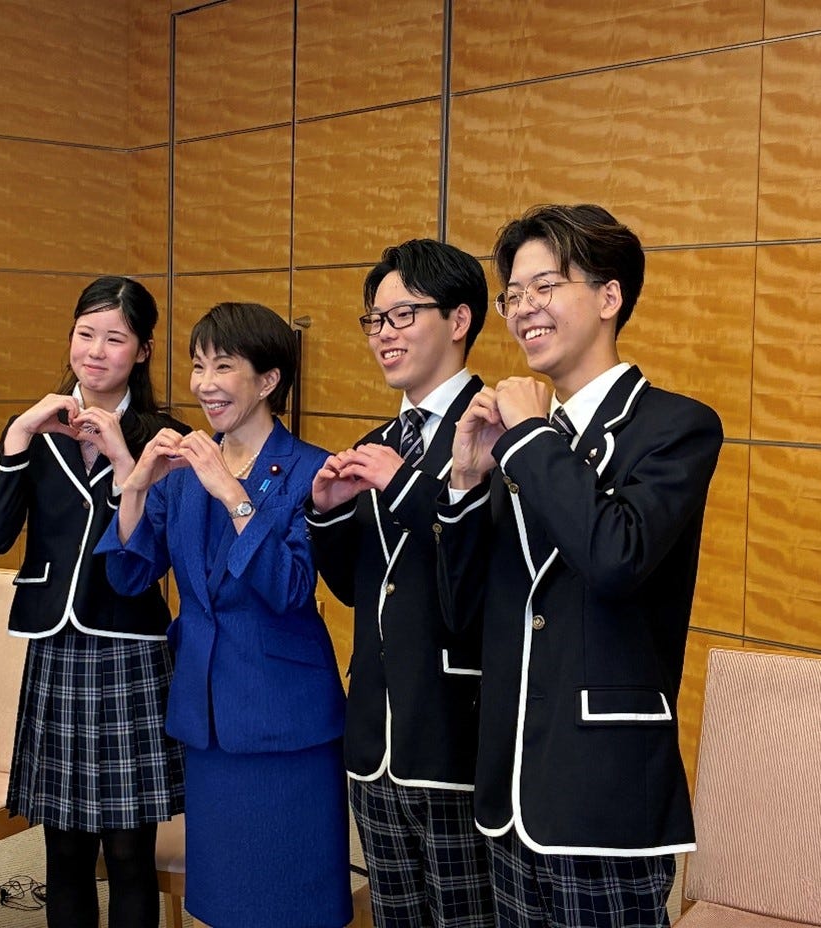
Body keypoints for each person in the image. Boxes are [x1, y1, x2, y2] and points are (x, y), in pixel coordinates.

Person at [436, 204, 724, 928]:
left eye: (545, 286)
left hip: (605, 790)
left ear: (608, 296)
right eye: (513, 294)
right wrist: (465, 483)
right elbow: (464, 613)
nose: (522, 308)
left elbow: (615, 557)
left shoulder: (676, 426)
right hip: (510, 786)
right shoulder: (519, 441)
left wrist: (533, 438)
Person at [96, 302, 352, 928]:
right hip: (207, 714)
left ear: (268, 381)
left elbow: (290, 587)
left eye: (223, 366)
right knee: (224, 901)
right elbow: (129, 575)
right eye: (197, 366)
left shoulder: (310, 468)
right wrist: (136, 483)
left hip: (285, 715)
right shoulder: (183, 473)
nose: (205, 384)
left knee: (291, 900)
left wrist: (233, 495)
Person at [0, 277, 187, 928]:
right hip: (56, 645)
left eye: (114, 338)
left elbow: (160, 551)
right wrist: (17, 438)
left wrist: (124, 461)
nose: (95, 351)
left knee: (127, 852)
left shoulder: (163, 437)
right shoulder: (35, 428)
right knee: (63, 851)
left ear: (143, 351)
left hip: (129, 645)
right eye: (85, 333)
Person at [307, 239, 494, 928]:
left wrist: (405, 484)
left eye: (402, 315)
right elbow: (358, 588)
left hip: (456, 730)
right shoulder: (380, 439)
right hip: (376, 733)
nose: (384, 334)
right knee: (394, 914)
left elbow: (483, 569)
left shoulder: (496, 430)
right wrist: (325, 515)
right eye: (374, 320)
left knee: (465, 917)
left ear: (459, 319)